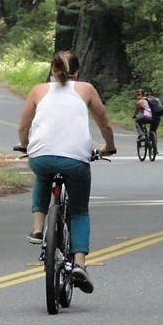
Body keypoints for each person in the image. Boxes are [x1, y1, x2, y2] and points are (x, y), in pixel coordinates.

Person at [17, 50, 116, 294]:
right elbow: (104, 122)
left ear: (52, 70)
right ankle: (80, 264)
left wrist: (24, 145)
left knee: (43, 174)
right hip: (76, 160)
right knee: (79, 211)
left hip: (42, 156)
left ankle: (39, 229)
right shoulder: (86, 89)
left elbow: (23, 126)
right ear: (77, 72)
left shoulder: (38, 90)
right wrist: (109, 147)